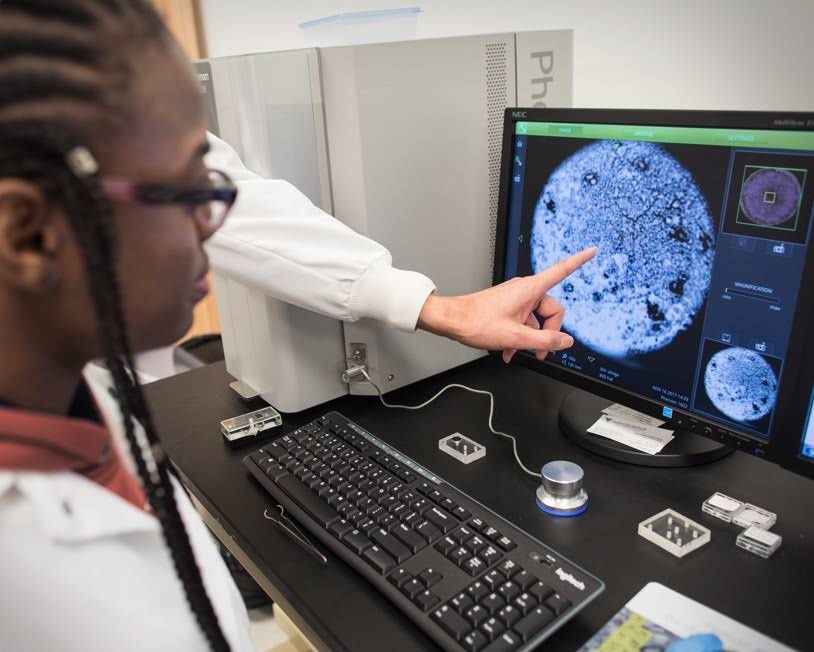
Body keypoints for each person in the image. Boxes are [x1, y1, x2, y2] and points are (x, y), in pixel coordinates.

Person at [0, 2, 594, 650]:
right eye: (186, 192)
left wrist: (441, 310)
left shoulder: (67, 401)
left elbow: (258, 216)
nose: (217, 221)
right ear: (27, 234)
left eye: (213, 180)